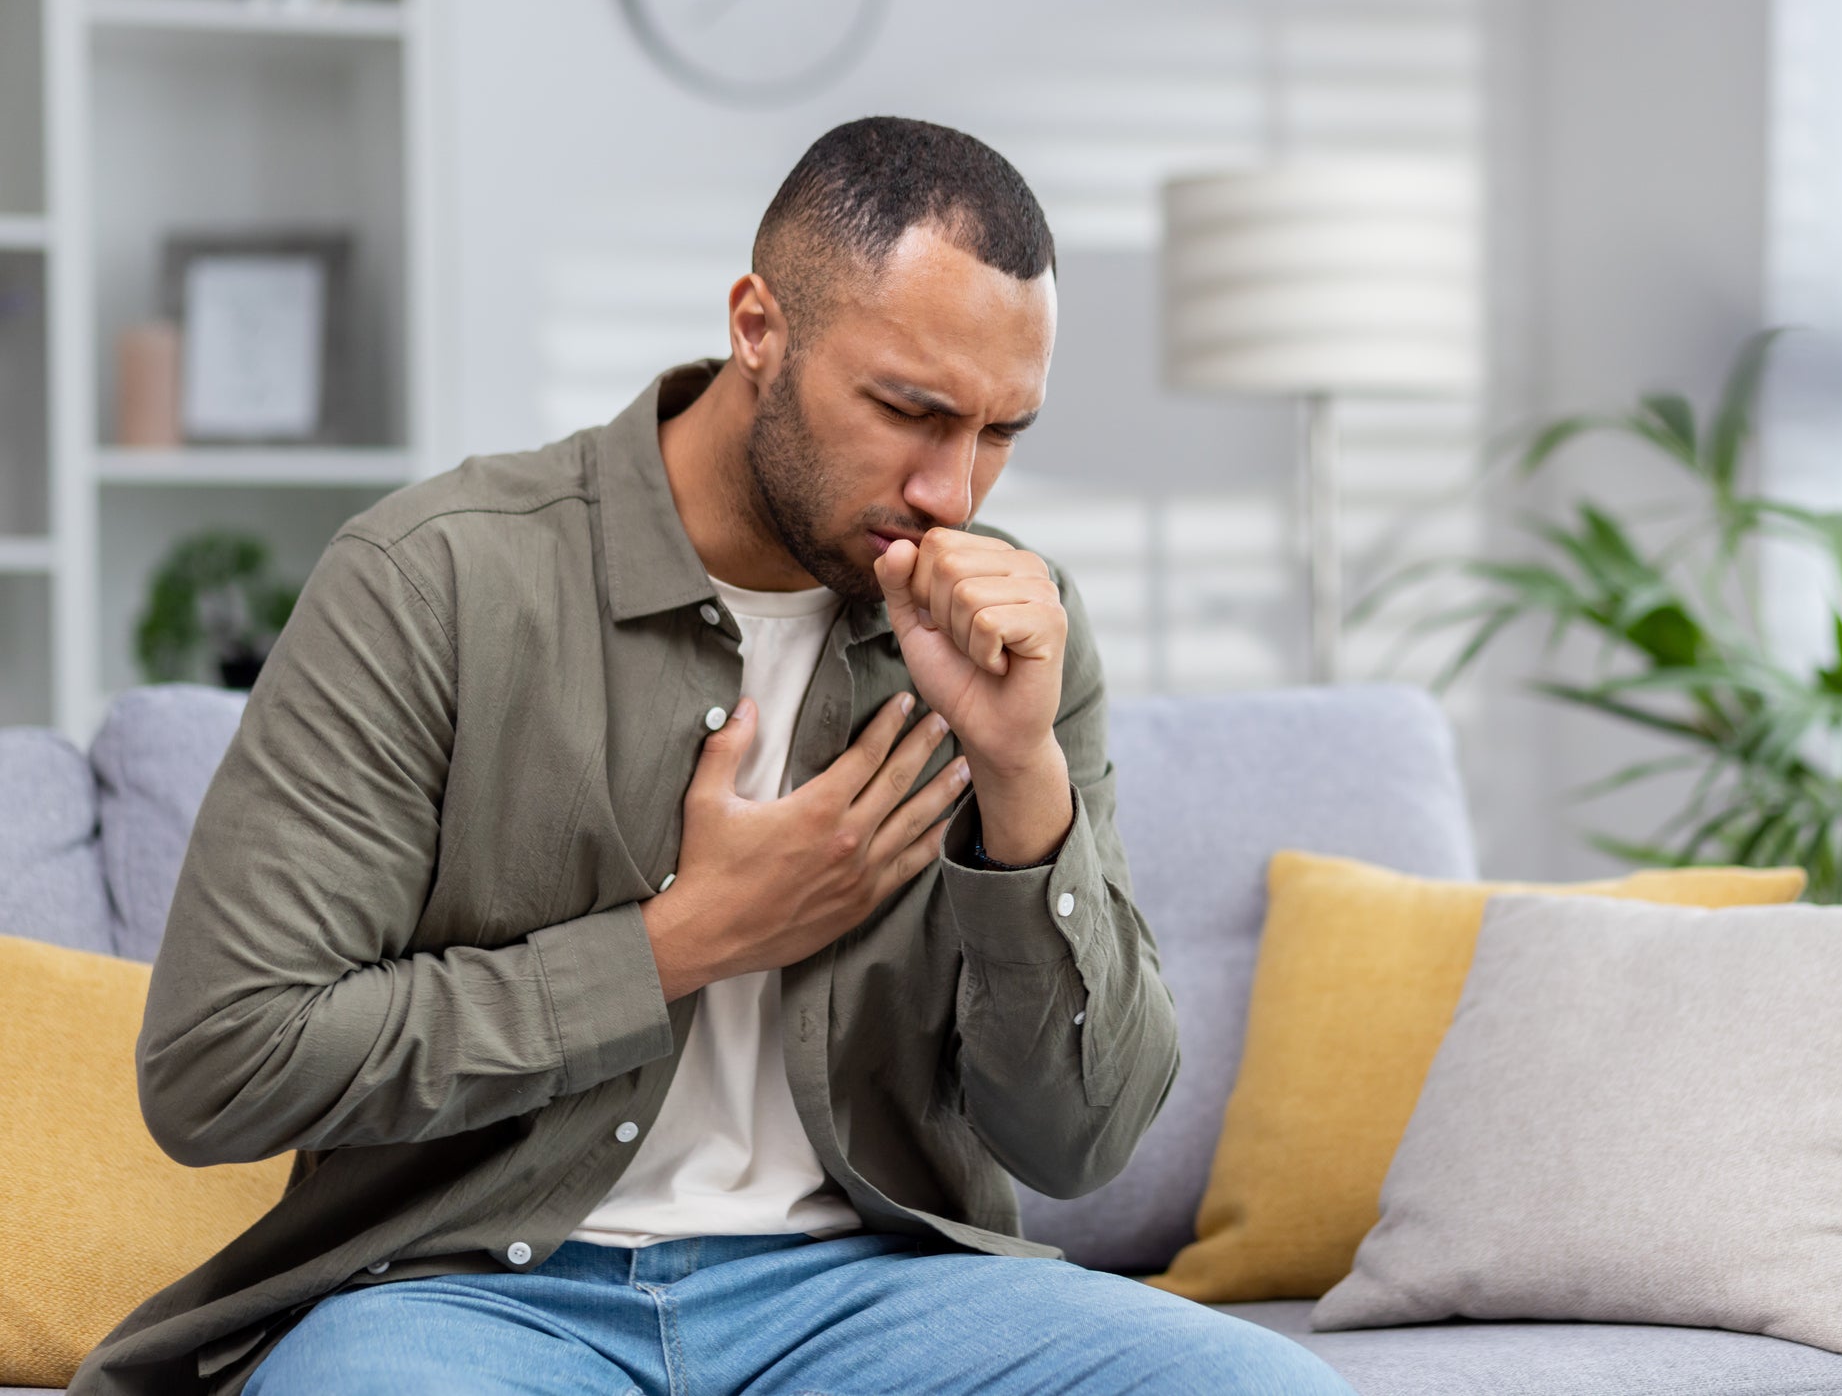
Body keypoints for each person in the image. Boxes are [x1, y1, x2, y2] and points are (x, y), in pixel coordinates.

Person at [68, 117, 1353, 1395]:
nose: (954, 492)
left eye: (1000, 429)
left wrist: (1024, 783)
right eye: (908, 408)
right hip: (465, 1293)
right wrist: (681, 939)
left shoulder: (1019, 631)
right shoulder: (436, 580)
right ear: (757, 327)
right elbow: (220, 1064)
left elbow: (1083, 1140)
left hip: (871, 1292)